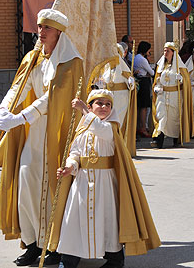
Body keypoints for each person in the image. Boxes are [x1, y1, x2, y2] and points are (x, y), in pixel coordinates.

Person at [0, 9, 83, 266]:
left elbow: (55, 96)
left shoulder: (71, 61)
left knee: (53, 188)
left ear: (58, 33)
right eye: (40, 27)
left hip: (57, 131)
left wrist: (21, 118)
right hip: (34, 135)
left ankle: (54, 244)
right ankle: (33, 242)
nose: (41, 32)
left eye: (47, 28)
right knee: (27, 184)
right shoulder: (33, 58)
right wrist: (5, 109)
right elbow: (19, 88)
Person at [56, 89, 160, 268]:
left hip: (105, 183)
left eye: (108, 104)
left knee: (108, 221)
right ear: (91, 106)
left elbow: (102, 131)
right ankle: (69, 259)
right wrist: (69, 167)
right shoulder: (82, 127)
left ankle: (115, 259)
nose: (104, 107)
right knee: (73, 220)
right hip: (82, 181)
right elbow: (75, 152)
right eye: (99, 103)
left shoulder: (111, 126)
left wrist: (83, 110)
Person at [93, 44, 137, 156]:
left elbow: (131, 85)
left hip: (121, 99)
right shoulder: (105, 69)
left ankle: (120, 147)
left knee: (118, 122)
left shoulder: (124, 69)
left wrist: (131, 83)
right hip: (108, 100)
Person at [151, 43, 194, 148]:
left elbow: (186, 82)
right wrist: (157, 88)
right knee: (161, 116)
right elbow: (157, 80)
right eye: (164, 51)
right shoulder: (161, 66)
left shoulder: (180, 67)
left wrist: (181, 80)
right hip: (162, 95)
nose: (165, 53)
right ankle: (158, 139)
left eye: (168, 51)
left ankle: (176, 139)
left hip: (175, 95)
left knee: (174, 118)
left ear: (173, 53)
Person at [133, 41, 154, 138]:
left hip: (140, 81)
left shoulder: (136, 57)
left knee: (140, 106)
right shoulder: (142, 59)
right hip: (144, 82)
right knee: (144, 107)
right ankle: (143, 128)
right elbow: (151, 72)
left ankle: (140, 126)